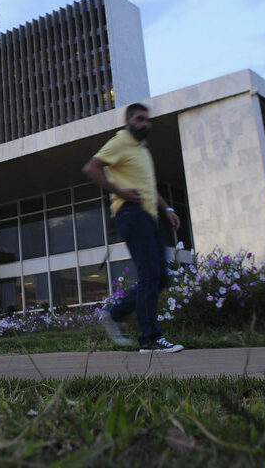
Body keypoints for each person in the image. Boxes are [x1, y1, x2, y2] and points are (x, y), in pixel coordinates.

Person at [82, 102, 184, 353]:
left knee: (160, 277)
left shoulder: (142, 150)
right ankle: (149, 338)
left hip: (147, 216)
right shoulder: (121, 141)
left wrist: (167, 208)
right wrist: (119, 191)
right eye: (139, 119)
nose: (144, 124)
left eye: (147, 120)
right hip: (130, 213)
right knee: (150, 275)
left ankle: (116, 313)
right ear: (128, 121)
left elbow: (149, 186)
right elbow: (91, 168)